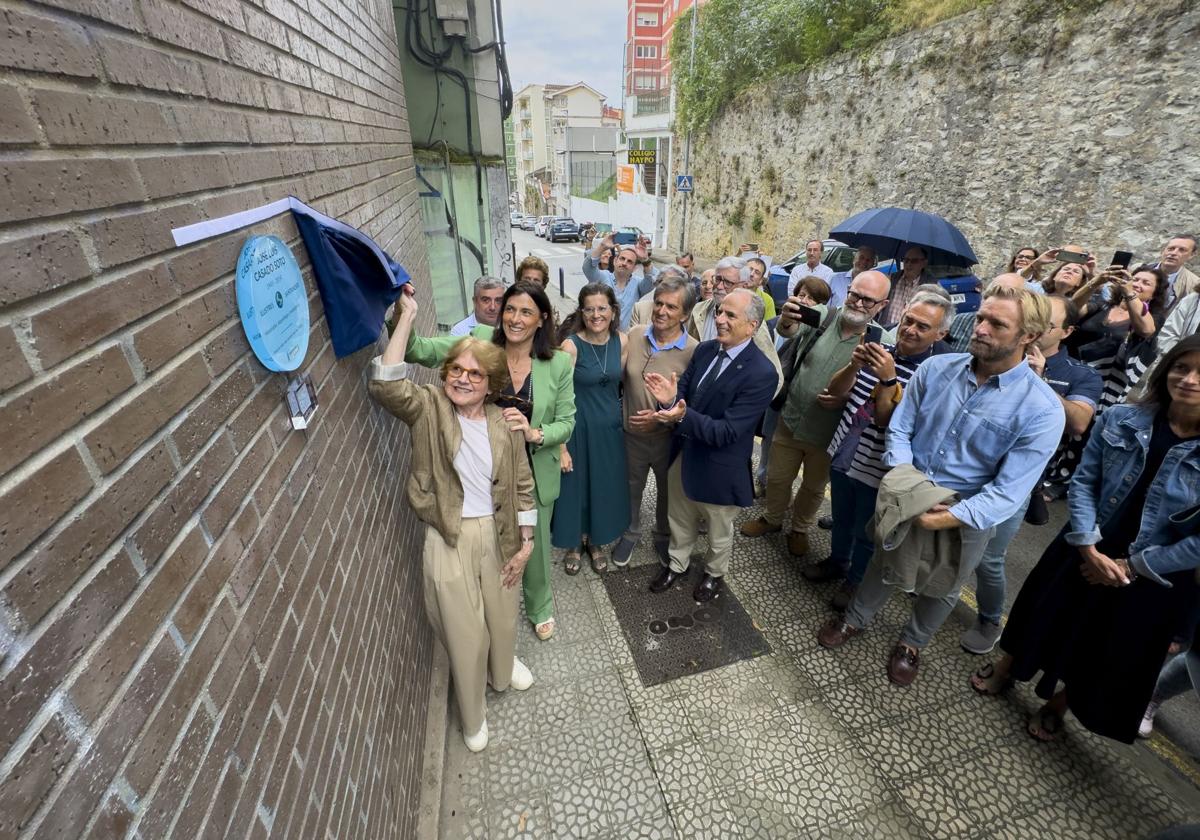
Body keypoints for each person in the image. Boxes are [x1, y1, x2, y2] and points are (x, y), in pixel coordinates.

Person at [819, 287, 1065, 686]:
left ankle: (912, 644)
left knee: (945, 584)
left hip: (967, 509)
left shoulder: (1041, 409)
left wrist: (952, 515)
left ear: (1029, 336)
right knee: (885, 560)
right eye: (981, 317)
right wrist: (903, 479)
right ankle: (855, 619)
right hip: (908, 489)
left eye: (996, 324)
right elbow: (901, 427)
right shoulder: (937, 370)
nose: (980, 328)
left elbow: (1010, 489)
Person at [970, 336, 1200, 743]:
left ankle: (1059, 704)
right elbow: (1085, 480)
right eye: (1182, 367)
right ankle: (1009, 665)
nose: (1189, 379)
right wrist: (1088, 545)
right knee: (1044, 610)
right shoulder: (1123, 418)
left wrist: (1132, 567)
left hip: (1152, 573)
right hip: (1085, 540)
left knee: (1104, 643)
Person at [368, 295, 537, 752]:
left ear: (489, 384)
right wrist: (405, 319)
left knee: (503, 615)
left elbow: (522, 483)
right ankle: (472, 713)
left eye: (474, 374)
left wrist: (526, 543)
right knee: (464, 631)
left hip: (499, 533)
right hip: (449, 534)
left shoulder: (505, 422)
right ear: (445, 376)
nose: (463, 379)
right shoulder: (428, 408)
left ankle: (502, 670)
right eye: (455, 371)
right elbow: (385, 385)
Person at [404, 281, 576, 642]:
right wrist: (401, 312)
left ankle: (539, 604)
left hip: (532, 470)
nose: (515, 318)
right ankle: (494, 603)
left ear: (542, 318)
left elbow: (567, 421)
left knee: (534, 545)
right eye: (510, 309)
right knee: (489, 542)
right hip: (477, 466)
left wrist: (535, 433)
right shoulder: (480, 340)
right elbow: (418, 349)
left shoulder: (557, 362)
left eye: (526, 311)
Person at [960, 294, 1103, 654]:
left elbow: (1080, 423)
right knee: (950, 539)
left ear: (1066, 331)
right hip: (969, 468)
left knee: (989, 557)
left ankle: (990, 618)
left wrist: (1036, 382)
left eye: (1047, 324)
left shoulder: (1079, 375)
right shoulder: (997, 355)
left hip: (1019, 483)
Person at [811, 289, 954, 610]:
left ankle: (855, 581)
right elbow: (836, 390)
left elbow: (888, 421)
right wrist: (852, 365)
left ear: (940, 334)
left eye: (922, 326)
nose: (910, 330)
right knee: (841, 518)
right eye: (908, 321)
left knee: (866, 531)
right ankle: (837, 561)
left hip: (880, 470)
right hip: (845, 453)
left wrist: (889, 380)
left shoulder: (934, 376)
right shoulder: (880, 350)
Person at [741, 271, 891, 558]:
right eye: (854, 294)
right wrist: (787, 317)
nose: (858, 303)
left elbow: (877, 391)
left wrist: (847, 397)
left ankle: (799, 529)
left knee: (813, 487)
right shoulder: (825, 316)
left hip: (829, 433)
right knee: (777, 476)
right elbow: (787, 330)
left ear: (882, 305)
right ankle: (772, 519)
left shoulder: (878, 342)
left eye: (867, 300)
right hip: (791, 418)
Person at [644, 289, 776, 602]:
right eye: (719, 311)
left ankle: (714, 574)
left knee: (718, 531)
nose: (719, 319)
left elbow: (728, 431)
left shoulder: (762, 373)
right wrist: (669, 400)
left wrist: (680, 415)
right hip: (684, 456)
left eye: (731, 315)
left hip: (721, 468)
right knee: (679, 518)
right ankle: (677, 564)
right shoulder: (704, 350)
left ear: (752, 325)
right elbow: (683, 397)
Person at [613, 275, 699, 567]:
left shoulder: (694, 351)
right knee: (630, 486)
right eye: (658, 303)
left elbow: (691, 402)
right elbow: (617, 377)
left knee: (668, 491)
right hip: (631, 435)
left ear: (685, 314)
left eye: (671, 307)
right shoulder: (635, 335)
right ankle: (630, 531)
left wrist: (661, 420)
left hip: (668, 439)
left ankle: (662, 534)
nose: (661, 311)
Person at [552, 283, 629, 574]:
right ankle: (574, 542)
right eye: (589, 309)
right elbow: (558, 396)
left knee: (601, 486)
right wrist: (560, 444)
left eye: (602, 308)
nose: (596, 314)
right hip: (577, 429)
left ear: (613, 311)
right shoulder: (571, 345)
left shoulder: (623, 341)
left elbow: (620, 383)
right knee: (575, 488)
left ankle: (595, 542)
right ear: (581, 312)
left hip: (609, 431)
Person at [755, 274, 833, 493]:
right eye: (802, 295)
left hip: (799, 402)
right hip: (778, 393)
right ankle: (763, 480)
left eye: (813, 299)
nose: (805, 301)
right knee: (770, 439)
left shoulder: (824, 330)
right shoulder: (778, 324)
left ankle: (781, 489)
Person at [687, 256, 783, 391]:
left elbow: (775, 377)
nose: (719, 286)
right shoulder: (699, 310)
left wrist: (746, 401)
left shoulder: (750, 323)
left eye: (728, 282)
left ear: (743, 286)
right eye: (718, 279)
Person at [1066, 264, 1165, 358]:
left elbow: (1145, 330)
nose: (1136, 284)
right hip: (1066, 360)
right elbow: (1073, 308)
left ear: (1154, 295)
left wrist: (1129, 293)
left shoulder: (1153, 317)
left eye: (1146, 283)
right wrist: (1096, 282)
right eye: (1134, 280)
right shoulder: (1104, 304)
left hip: (1103, 373)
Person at [583, 232, 656, 331]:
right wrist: (602, 246)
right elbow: (588, 268)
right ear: (615, 261)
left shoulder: (637, 284)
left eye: (629, 261)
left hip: (623, 340)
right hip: (598, 335)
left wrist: (645, 259)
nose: (625, 263)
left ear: (634, 268)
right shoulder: (603, 276)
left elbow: (652, 281)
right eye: (622, 259)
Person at [878, 246, 933, 326]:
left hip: (910, 333)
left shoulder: (931, 286)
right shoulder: (891, 279)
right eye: (906, 260)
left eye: (914, 261)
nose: (908, 264)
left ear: (924, 263)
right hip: (885, 329)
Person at [1157, 234, 1199, 307]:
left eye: (1182, 250)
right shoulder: (1137, 269)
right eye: (1171, 248)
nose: (1173, 253)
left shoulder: (1194, 284)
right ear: (1163, 250)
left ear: (1192, 255)